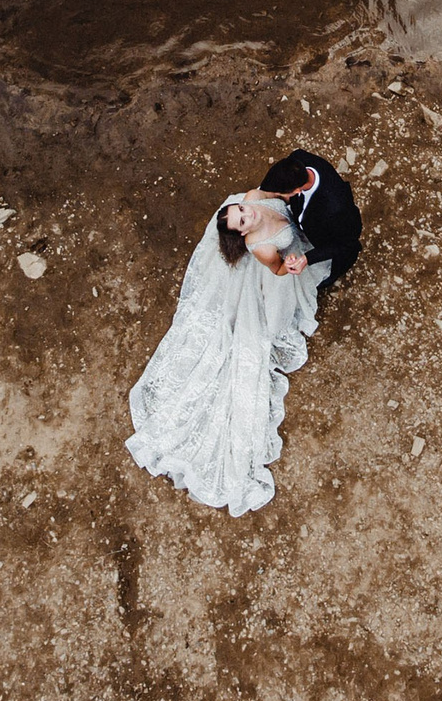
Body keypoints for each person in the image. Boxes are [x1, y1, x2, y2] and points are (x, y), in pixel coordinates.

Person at [124, 192, 330, 515]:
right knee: (262, 331)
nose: (249, 214)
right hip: (280, 273)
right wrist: (290, 264)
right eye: (244, 220)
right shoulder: (260, 248)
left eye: (243, 211)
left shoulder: (253, 199)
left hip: (290, 236)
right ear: (244, 233)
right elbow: (277, 271)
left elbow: (274, 196)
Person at [253, 149, 361, 294]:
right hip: (312, 224)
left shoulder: (336, 209)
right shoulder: (298, 159)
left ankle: (329, 277)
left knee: (329, 270)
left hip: (334, 242)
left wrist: (307, 259)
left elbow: (347, 243)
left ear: (296, 191)